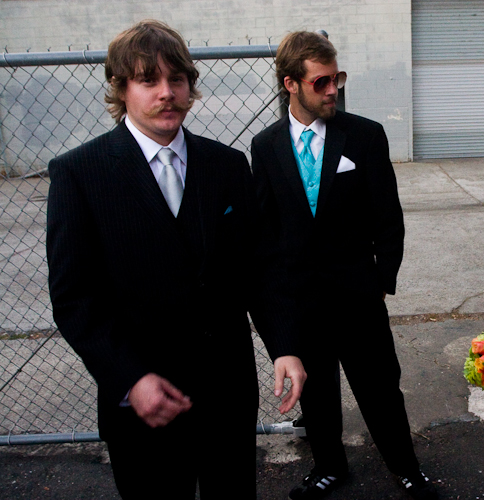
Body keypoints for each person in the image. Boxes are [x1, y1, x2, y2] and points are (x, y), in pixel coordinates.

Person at [46, 20, 305, 500]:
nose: (167, 93)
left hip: (227, 394)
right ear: (121, 89)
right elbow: (74, 298)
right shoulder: (79, 174)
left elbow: (261, 268)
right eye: (149, 80)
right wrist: (130, 379)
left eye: (177, 79)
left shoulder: (226, 166)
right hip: (144, 404)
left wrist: (285, 346)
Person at [250, 31, 438, 500]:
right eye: (321, 82)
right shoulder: (266, 146)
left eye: (337, 78)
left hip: (358, 295)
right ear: (291, 84)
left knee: (380, 388)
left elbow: (388, 218)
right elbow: (268, 229)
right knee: (316, 394)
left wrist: (381, 281)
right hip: (301, 299)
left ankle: (406, 468)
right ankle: (329, 466)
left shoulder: (365, 136)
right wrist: (280, 296)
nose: (333, 89)